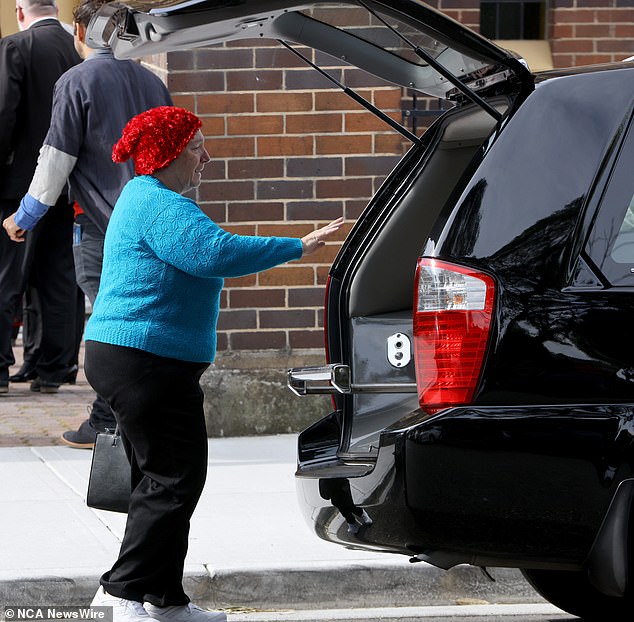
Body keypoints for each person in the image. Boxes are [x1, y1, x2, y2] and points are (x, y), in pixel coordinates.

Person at [83, 105, 344, 622]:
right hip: (144, 360)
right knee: (173, 479)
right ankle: (121, 594)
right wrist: (298, 245)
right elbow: (215, 253)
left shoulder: (146, 197)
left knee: (160, 480)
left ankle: (162, 600)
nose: (207, 157)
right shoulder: (158, 203)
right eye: (198, 147)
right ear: (170, 154)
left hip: (138, 358)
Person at [2, 0, 173, 446]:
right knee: (138, 317)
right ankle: (127, 415)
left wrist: (24, 216)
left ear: (84, 34)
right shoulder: (154, 84)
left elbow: (56, 159)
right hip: (156, 219)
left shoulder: (77, 81)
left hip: (102, 223)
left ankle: (105, 419)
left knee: (110, 323)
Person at [0, 0, 81, 395]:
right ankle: (51, 366)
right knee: (59, 277)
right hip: (69, 187)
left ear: (20, 12)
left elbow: (3, 116)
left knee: (6, 276)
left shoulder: (15, 48)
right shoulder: (77, 48)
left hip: (19, 187)